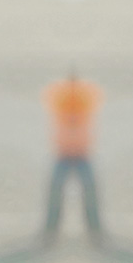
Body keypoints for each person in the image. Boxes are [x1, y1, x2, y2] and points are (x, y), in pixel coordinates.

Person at [39, 70, 105, 245]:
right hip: (63, 152)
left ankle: (94, 230)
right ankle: (51, 230)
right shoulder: (60, 95)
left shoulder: (85, 95)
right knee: (56, 193)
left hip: (82, 152)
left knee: (89, 192)